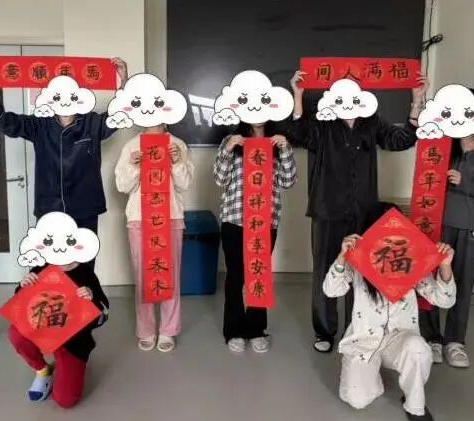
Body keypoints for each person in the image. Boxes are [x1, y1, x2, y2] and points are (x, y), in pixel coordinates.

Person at [289, 71, 429, 353]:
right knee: (326, 271)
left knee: (362, 272)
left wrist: (416, 102)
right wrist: (298, 95)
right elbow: (299, 134)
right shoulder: (324, 122)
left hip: (363, 212)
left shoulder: (371, 121)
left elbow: (401, 140)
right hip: (327, 211)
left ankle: (357, 328)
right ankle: (324, 332)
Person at [0, 57, 128, 268]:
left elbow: (119, 113)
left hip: (85, 208)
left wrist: (123, 80)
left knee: (84, 267)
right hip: (49, 207)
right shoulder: (40, 125)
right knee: (51, 268)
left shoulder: (92, 123)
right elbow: (7, 122)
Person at [324, 233, 456, 421]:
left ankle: (414, 404)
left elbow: (445, 300)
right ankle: (371, 374)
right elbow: (331, 290)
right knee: (357, 399)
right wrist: (342, 256)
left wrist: (445, 265)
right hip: (365, 340)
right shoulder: (359, 263)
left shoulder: (410, 264)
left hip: (399, 338)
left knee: (418, 349)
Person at [419, 88, 474, 368]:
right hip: (439, 224)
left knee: (464, 284)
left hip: (470, 228)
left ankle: (455, 342)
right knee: (431, 279)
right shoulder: (442, 144)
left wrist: (463, 182)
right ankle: (432, 338)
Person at [214, 121, 297, 353]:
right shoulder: (231, 140)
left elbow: (288, 181)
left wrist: (285, 149)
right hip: (235, 219)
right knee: (235, 276)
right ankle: (234, 330)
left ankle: (256, 329)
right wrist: (228, 149)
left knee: (258, 274)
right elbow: (219, 179)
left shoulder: (277, 142)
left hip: (264, 221)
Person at [115, 125, 194, 352]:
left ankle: (168, 329)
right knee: (143, 276)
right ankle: (146, 329)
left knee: (170, 274)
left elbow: (185, 184)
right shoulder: (131, 145)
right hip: (140, 218)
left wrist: (176, 163)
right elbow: (121, 186)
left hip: (170, 217)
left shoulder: (177, 144)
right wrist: (133, 166)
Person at [8, 261, 109, 408]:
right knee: (16, 333)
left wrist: (91, 299)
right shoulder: (41, 268)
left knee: (65, 400)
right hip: (43, 328)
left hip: (72, 341)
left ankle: (68, 364)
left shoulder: (86, 273)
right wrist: (22, 286)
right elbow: (22, 303)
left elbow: (103, 315)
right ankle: (43, 371)